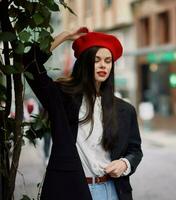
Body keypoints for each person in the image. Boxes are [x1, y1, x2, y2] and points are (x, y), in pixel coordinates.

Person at [23, 27, 143, 200]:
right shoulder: (62, 98)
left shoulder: (125, 109)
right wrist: (65, 36)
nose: (103, 65)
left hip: (114, 191)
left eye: (108, 61)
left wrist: (125, 163)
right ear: (85, 63)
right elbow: (29, 64)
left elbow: (135, 150)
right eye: (97, 60)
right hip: (72, 190)